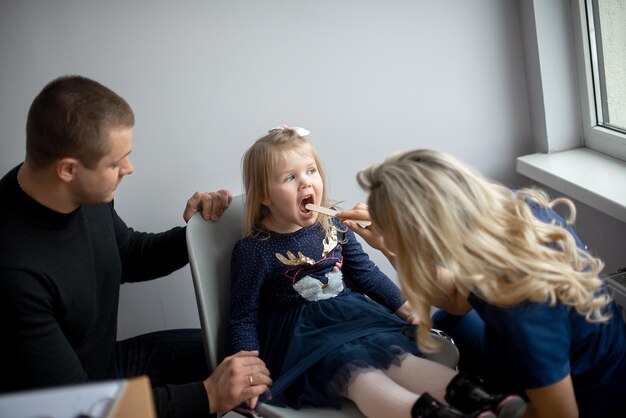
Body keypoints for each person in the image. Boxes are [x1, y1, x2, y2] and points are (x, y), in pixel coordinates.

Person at [0, 75, 271, 418]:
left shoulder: (76, 192)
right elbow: (79, 410)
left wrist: (198, 231)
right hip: (69, 404)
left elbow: (127, 254)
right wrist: (208, 396)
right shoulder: (14, 273)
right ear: (68, 169)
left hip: (105, 366)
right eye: (115, 163)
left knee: (250, 354)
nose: (129, 168)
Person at [228, 127, 526, 418]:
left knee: (401, 359)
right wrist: (248, 371)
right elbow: (243, 317)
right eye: (290, 178)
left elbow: (366, 274)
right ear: (265, 195)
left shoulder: (335, 225)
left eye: (311, 171)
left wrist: (408, 310)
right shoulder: (253, 250)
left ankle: (487, 402)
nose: (305, 184)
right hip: (303, 340)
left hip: (354, 319)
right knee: (357, 374)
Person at [337, 148, 626, 418]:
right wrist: (391, 245)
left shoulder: (522, 312)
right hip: (597, 353)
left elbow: (561, 415)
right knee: (451, 322)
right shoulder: (512, 209)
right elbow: (456, 301)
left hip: (589, 400)